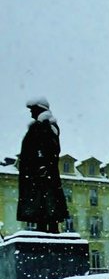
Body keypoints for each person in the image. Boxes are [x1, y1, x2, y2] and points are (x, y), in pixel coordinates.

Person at [16, 97, 67, 233]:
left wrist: (43, 163)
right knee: (42, 204)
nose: (31, 113)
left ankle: (50, 230)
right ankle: (43, 229)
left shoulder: (45, 125)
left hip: (42, 171)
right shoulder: (40, 125)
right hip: (38, 171)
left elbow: (50, 147)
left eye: (33, 110)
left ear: (40, 109)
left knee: (47, 202)